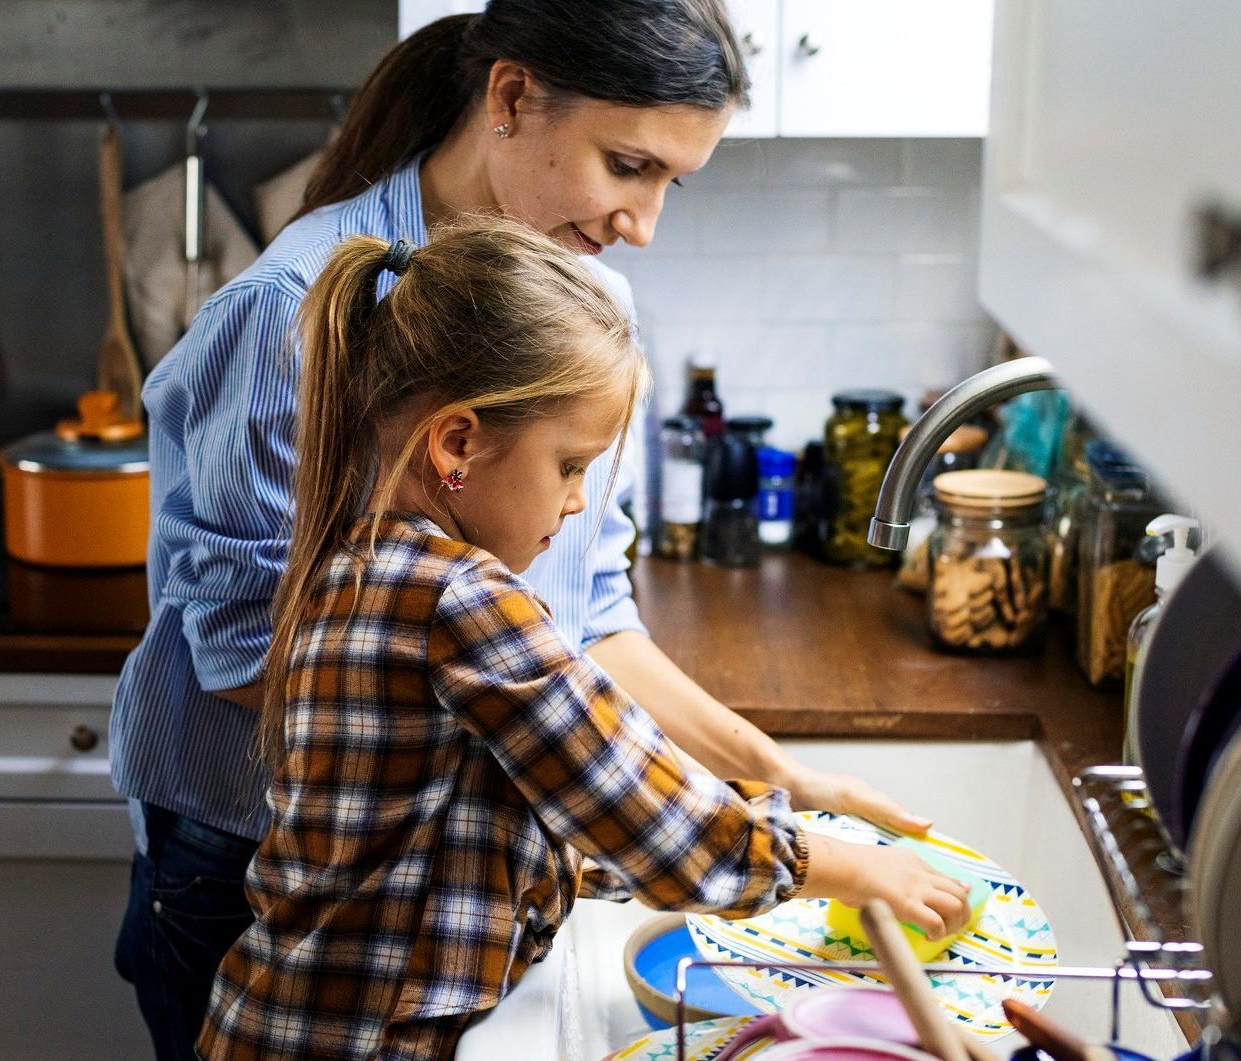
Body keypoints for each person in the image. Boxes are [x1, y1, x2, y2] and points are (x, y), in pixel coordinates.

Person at [111, 5, 934, 1057]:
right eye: (627, 164)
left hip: (437, 894)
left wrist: (775, 773)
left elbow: (589, 620)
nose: (642, 222)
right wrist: (582, 776)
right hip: (260, 879)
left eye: (671, 181)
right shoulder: (288, 309)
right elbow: (244, 656)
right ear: (509, 99)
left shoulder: (585, 311)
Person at [197, 219, 972, 1061]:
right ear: (457, 442)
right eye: (569, 465)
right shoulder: (459, 598)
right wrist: (848, 868)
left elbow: (511, 826)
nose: (574, 503)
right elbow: (644, 810)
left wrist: (768, 813)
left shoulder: (364, 561)